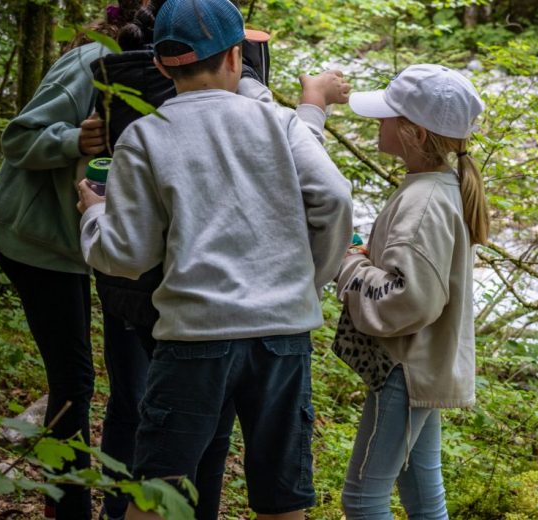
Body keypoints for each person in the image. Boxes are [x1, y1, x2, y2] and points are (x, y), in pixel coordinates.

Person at [76, 1, 353, 519]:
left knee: (157, 496)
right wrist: (306, 283)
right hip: (283, 336)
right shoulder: (281, 123)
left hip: (195, 337)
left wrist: (95, 215)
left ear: (160, 64)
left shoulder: (144, 136)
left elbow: (128, 256)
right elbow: (334, 198)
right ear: (235, 57)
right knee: (282, 497)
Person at [0, 2, 140, 519]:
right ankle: (66, 506)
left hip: (75, 242)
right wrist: (74, 137)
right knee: (74, 379)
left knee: (83, 378)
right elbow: (18, 137)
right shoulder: (94, 59)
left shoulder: (145, 69)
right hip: (35, 239)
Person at [335, 64, 488, 519]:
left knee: (362, 501)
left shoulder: (424, 203)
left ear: (416, 134)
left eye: (387, 116)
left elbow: (410, 299)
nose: (378, 124)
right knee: (423, 497)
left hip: (405, 370)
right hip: (419, 367)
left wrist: (349, 262)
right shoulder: (438, 188)